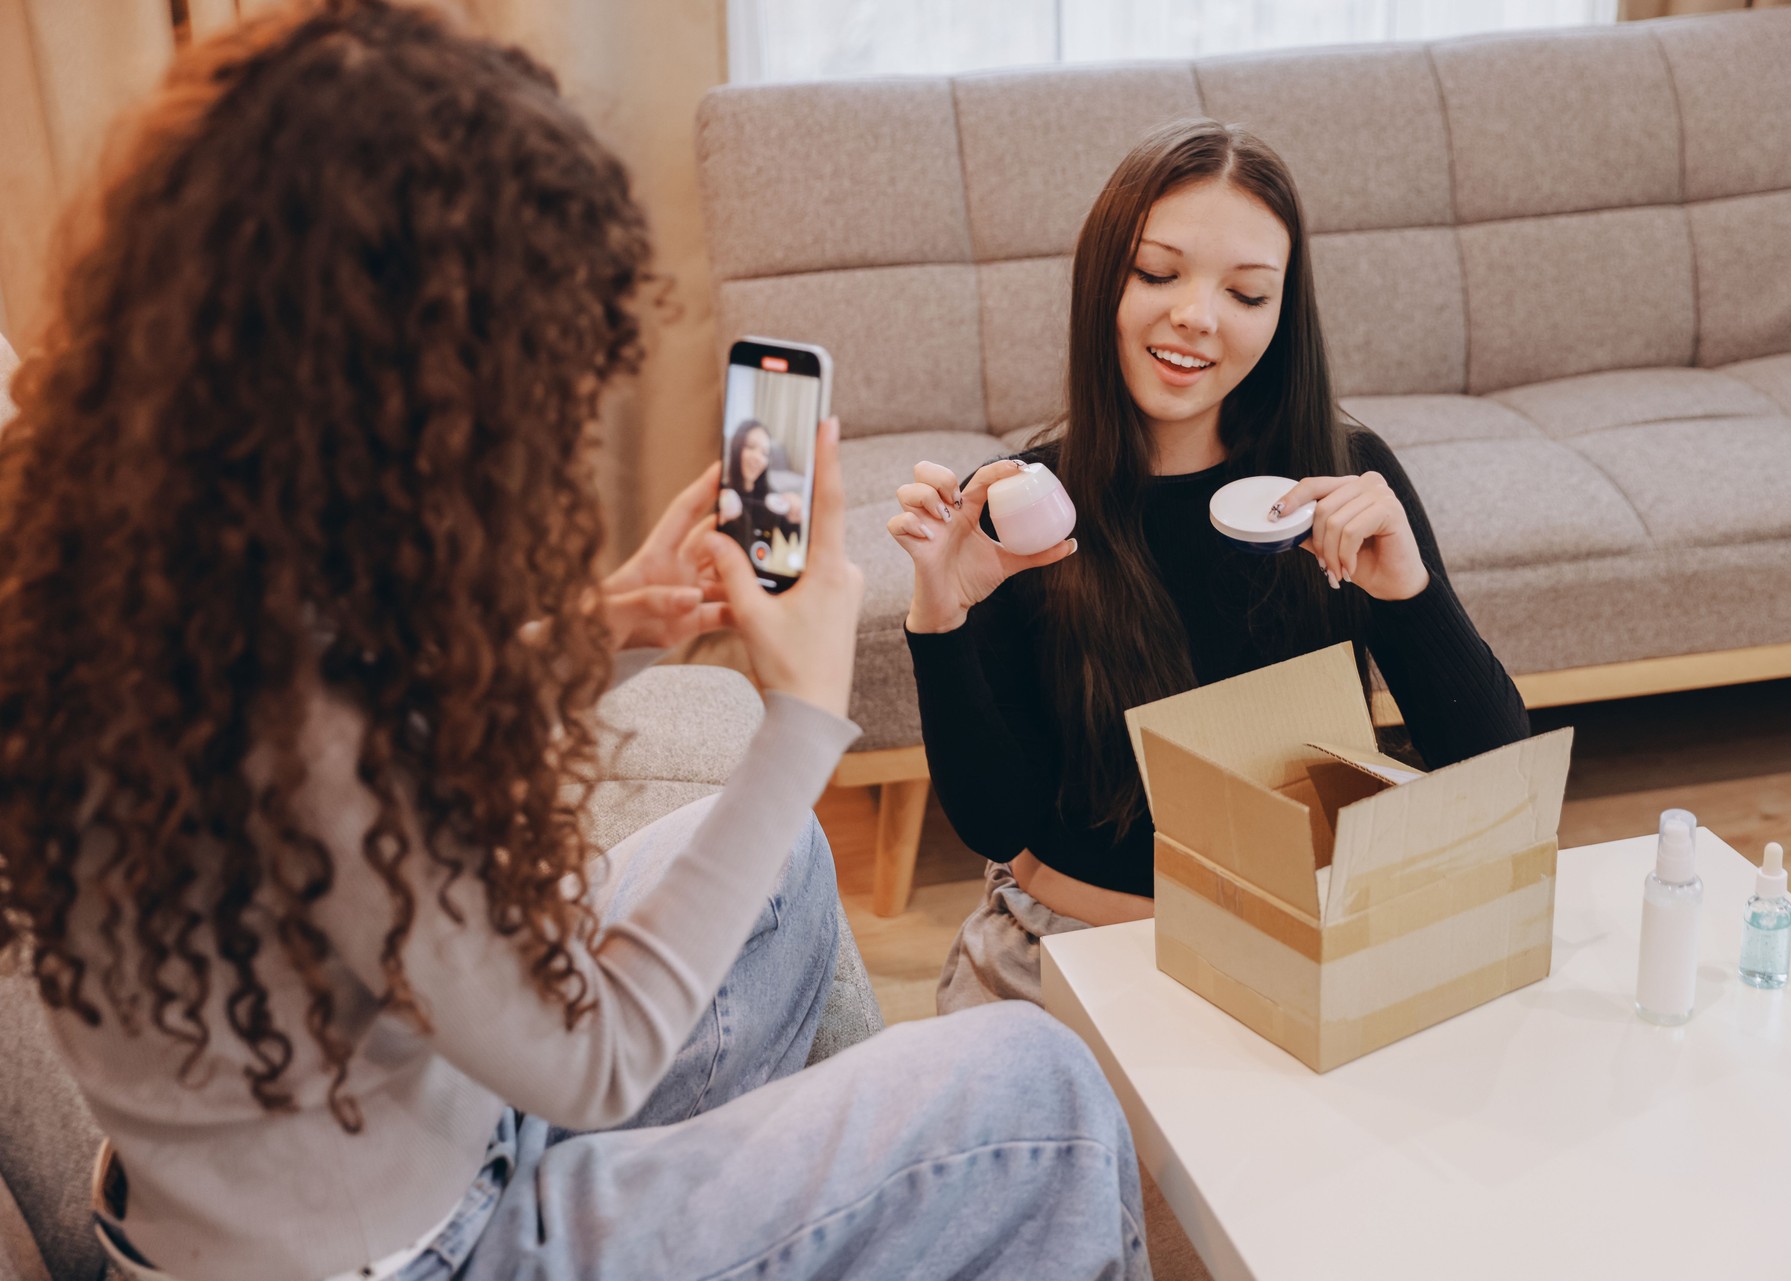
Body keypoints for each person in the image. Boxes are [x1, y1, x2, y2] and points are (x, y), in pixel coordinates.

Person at [0, 5, 1149, 1279]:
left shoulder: (130, 535)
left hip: (316, 1154)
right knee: (1041, 1092)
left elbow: (377, 767)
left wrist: (616, 622)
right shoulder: (303, 727)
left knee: (779, 883)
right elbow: (589, 1056)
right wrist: (805, 716)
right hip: (417, 1249)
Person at [890, 118, 1532, 1013]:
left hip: (1299, 950)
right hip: (1063, 959)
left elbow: (1497, 773)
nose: (1196, 315)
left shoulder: (1341, 480)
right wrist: (942, 617)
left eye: (1248, 293)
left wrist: (1411, 596)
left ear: (1282, 313)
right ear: (1103, 277)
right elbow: (998, 821)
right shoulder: (1020, 510)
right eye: (1158, 274)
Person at [718, 418, 805, 564]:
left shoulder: (771, 497)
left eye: (764, 453)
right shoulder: (722, 495)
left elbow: (792, 540)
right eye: (751, 447)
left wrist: (795, 520)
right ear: (736, 448)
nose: (758, 458)